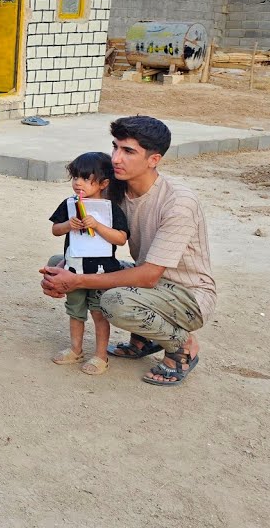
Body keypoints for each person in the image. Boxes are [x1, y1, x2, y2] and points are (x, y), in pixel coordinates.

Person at [40, 116, 217, 386]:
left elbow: (148, 276)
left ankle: (182, 347)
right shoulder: (116, 192)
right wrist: (66, 269)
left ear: (153, 159)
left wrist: (77, 280)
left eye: (128, 151)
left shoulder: (178, 203)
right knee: (59, 262)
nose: (116, 158)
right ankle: (144, 337)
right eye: (115, 147)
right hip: (149, 282)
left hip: (188, 296)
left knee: (115, 302)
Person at [47, 152, 129, 376]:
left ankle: (101, 356)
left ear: (103, 183)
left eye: (85, 178)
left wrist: (98, 226)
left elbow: (121, 238)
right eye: (75, 177)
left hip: (102, 273)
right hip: (74, 268)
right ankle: (76, 350)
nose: (78, 183)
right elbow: (55, 229)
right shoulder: (69, 205)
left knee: (99, 313)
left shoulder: (110, 209)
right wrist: (68, 225)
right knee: (75, 311)